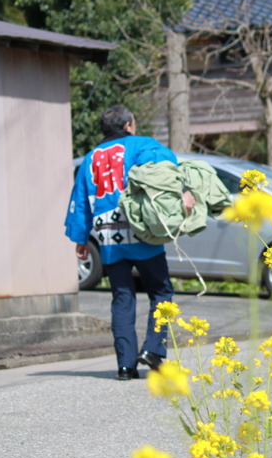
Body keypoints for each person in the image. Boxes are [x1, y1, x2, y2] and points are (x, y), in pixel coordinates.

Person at [64, 105, 194, 380]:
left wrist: (80, 238)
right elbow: (166, 167)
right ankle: (153, 350)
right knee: (161, 292)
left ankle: (125, 366)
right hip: (140, 229)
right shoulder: (141, 145)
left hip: (108, 236)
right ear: (127, 126)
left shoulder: (89, 159)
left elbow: (79, 201)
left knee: (122, 297)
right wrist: (183, 192)